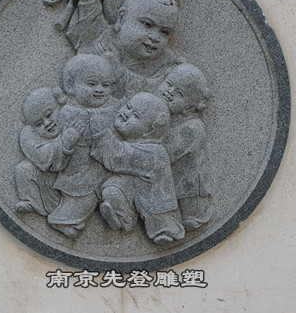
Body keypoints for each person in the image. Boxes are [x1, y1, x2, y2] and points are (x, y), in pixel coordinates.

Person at [90, 92, 185, 245]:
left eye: (136, 115)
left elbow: (117, 156)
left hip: (153, 200)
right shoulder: (135, 143)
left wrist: (101, 133)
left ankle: (166, 231)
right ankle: (124, 219)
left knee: (158, 219)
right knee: (111, 191)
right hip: (131, 186)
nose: (126, 113)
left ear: (148, 131)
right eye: (128, 106)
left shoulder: (152, 152)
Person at [47, 54, 119, 238]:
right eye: (92, 84)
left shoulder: (113, 106)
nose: (100, 90)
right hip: (81, 167)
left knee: (114, 188)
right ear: (71, 85)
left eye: (106, 85)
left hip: (106, 162)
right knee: (83, 198)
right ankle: (63, 221)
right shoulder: (69, 112)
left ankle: (119, 214)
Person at [156, 63, 212, 230]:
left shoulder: (193, 128)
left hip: (188, 192)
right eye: (168, 84)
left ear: (190, 107)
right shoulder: (162, 114)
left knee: (191, 213)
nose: (169, 92)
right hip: (168, 183)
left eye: (179, 93)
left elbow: (165, 153)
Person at [15, 87, 84, 216]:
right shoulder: (27, 135)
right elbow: (43, 158)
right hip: (48, 184)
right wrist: (65, 141)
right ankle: (34, 202)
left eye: (49, 115)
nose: (47, 123)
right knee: (23, 169)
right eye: (38, 124)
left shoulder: (73, 115)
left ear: (60, 106)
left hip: (78, 180)